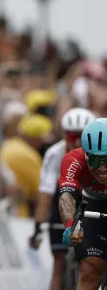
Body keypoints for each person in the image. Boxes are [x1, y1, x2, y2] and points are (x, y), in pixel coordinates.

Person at [29, 108, 96, 290]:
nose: (75, 141)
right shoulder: (55, 153)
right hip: (64, 201)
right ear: (64, 134)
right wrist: (38, 226)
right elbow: (46, 192)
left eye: (80, 136)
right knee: (58, 263)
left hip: (90, 201)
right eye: (71, 136)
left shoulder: (99, 151)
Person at [59, 118, 107, 290]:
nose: (102, 169)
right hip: (92, 205)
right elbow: (67, 197)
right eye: (95, 161)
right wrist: (71, 226)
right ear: (86, 155)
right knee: (90, 272)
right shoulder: (73, 159)